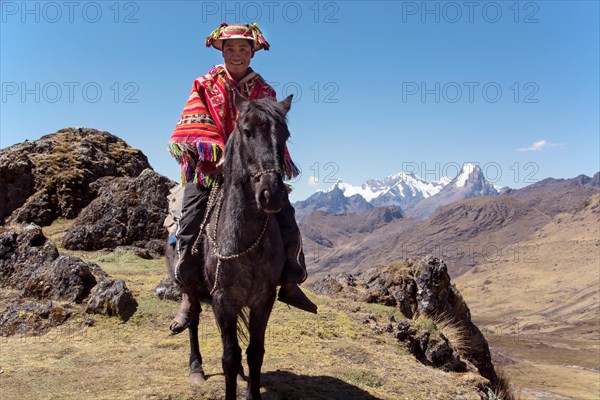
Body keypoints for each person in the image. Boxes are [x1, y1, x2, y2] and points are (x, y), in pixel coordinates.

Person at [167, 22, 317, 335]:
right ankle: (189, 295)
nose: (237, 54)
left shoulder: (264, 92)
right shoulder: (204, 85)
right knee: (190, 222)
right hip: (210, 169)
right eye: (231, 48)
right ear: (222, 50)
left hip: (252, 173)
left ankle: (289, 281)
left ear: (252, 53)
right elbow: (193, 124)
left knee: (287, 220)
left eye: (243, 49)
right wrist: (218, 154)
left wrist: (267, 167)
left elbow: (271, 134)